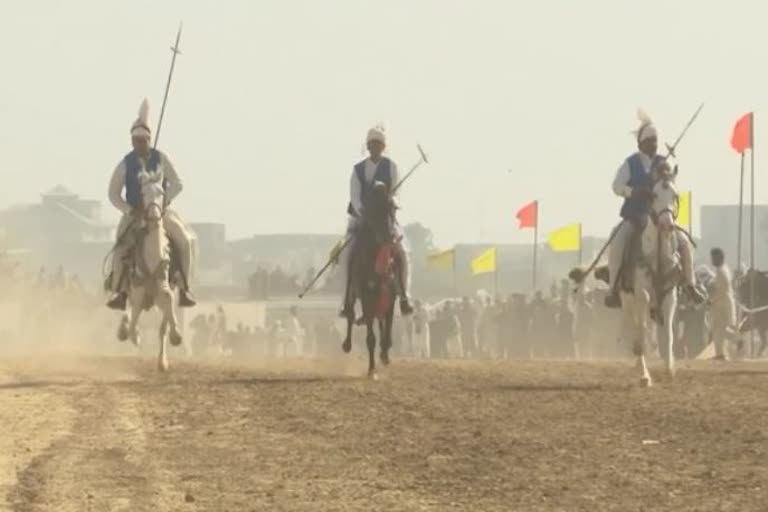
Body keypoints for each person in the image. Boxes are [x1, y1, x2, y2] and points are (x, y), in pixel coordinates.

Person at [604, 110, 704, 308]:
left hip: (659, 216)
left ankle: (690, 285)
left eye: (655, 141)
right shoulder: (630, 164)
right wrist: (634, 191)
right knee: (618, 240)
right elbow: (616, 186)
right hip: (635, 216)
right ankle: (613, 289)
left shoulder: (662, 162)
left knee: (684, 242)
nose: (653, 145)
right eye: (649, 141)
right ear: (640, 143)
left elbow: (671, 186)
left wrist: (664, 177)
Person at [105, 98, 196, 310]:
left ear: (148, 139)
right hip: (134, 216)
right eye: (135, 140)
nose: (138, 144)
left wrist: (163, 202)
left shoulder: (161, 159)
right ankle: (119, 291)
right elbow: (113, 193)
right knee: (119, 248)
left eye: (142, 140)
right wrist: (129, 210)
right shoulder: (125, 164)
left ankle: (184, 288)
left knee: (184, 240)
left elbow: (178, 183)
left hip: (160, 212)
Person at [338, 125, 413, 317]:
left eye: (379, 144)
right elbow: (355, 197)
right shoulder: (358, 170)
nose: (375, 148)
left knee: (403, 253)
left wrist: (389, 205)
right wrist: (365, 212)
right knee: (346, 254)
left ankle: (405, 297)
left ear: (383, 146)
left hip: (386, 218)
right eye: (372, 144)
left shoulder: (392, 167)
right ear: (368, 146)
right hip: (361, 218)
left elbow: (396, 194)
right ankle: (346, 301)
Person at [709, 248, 738, 361]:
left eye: (714, 257)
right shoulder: (722, 270)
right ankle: (720, 353)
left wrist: (712, 300)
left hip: (722, 305)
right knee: (719, 329)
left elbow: (723, 290)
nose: (712, 260)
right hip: (721, 304)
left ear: (720, 257)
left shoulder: (722, 271)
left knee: (719, 329)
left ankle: (736, 341)